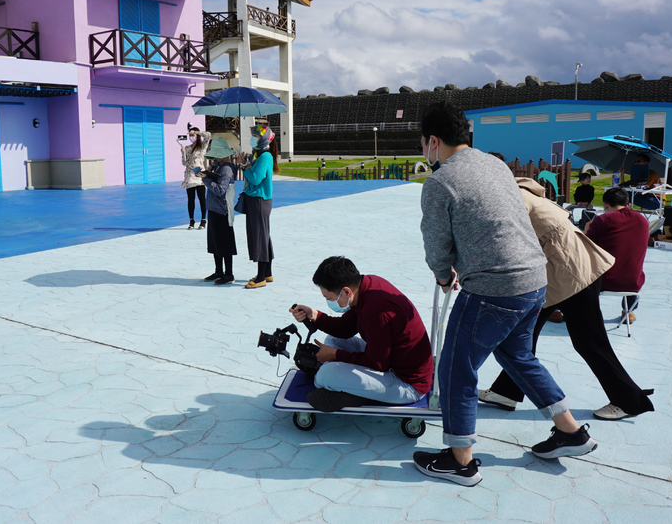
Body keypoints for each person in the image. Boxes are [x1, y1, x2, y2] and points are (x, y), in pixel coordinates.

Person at [414, 102, 596, 487]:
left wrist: (443, 276)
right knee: (517, 355)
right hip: (534, 279)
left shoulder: (439, 182)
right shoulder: (496, 165)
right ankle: (570, 431)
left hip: (494, 288)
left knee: (455, 367)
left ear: (433, 141)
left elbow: (436, 245)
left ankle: (461, 460)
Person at [479, 178, 655, 422]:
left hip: (572, 276)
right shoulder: (524, 193)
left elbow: (498, 239)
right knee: (522, 337)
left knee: (589, 342)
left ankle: (629, 401)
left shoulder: (514, 198)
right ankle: (505, 392)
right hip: (560, 274)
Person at [289, 256, 433, 411]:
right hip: (390, 358)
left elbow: (378, 363)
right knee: (333, 339)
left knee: (323, 376)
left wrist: (335, 355)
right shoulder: (368, 286)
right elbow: (345, 329)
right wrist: (314, 315)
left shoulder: (375, 310)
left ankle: (353, 393)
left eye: (329, 298)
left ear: (346, 291)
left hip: (406, 384)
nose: (330, 302)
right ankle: (350, 386)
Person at [585, 187, 649, 324]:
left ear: (605, 205)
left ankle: (566, 311)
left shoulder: (602, 220)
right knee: (631, 264)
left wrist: (586, 230)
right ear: (629, 205)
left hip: (605, 282)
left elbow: (584, 248)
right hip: (633, 283)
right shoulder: (643, 221)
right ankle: (629, 311)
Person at [239, 123, 278, 289]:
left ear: (264, 138)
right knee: (263, 236)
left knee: (260, 238)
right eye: (253, 136)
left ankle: (261, 276)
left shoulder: (265, 156)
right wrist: (246, 163)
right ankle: (267, 272)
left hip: (259, 200)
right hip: (256, 199)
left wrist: (246, 167)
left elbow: (255, 178)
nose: (253, 139)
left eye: (256, 136)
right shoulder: (258, 154)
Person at [199, 139, 238, 285]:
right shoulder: (220, 167)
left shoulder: (227, 169)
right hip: (215, 210)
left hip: (222, 211)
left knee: (224, 244)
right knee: (215, 242)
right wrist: (210, 171)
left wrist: (206, 179)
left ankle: (228, 274)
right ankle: (219, 271)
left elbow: (220, 190)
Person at [181, 128, 209, 230]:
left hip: (199, 175)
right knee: (190, 199)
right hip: (189, 176)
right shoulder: (187, 148)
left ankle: (203, 220)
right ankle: (191, 220)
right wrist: (183, 153)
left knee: (202, 199)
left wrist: (197, 132)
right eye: (190, 135)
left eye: (193, 135)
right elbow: (184, 163)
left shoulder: (202, 147)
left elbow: (208, 135)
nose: (191, 136)